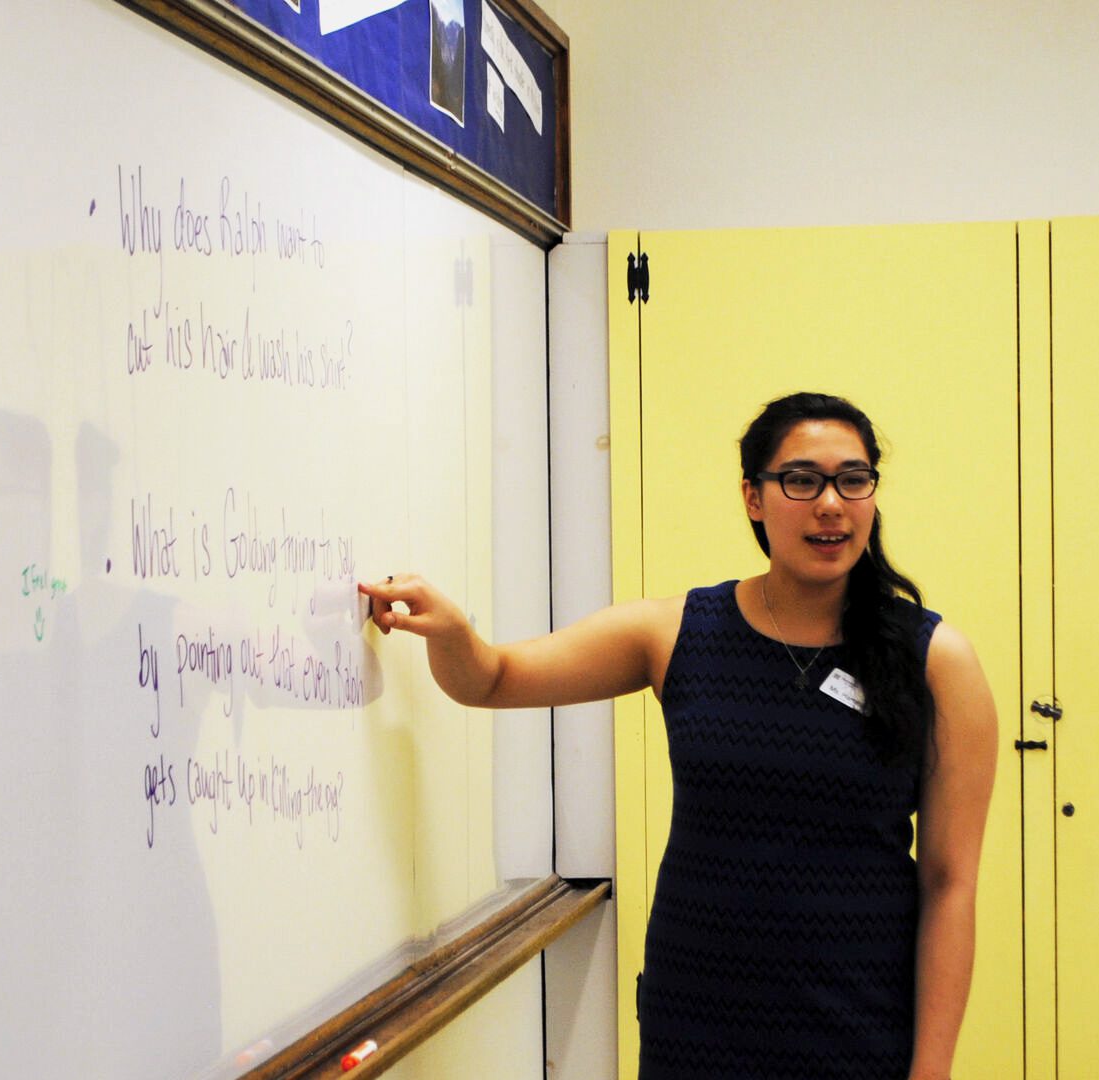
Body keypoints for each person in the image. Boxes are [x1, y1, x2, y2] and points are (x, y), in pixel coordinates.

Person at [358, 392, 997, 1079]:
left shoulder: (935, 660)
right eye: (802, 480)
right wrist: (455, 633)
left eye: (853, 479)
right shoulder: (679, 633)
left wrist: (930, 1070)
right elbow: (491, 679)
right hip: (695, 1021)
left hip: (858, 1023)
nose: (831, 504)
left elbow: (949, 882)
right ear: (754, 497)